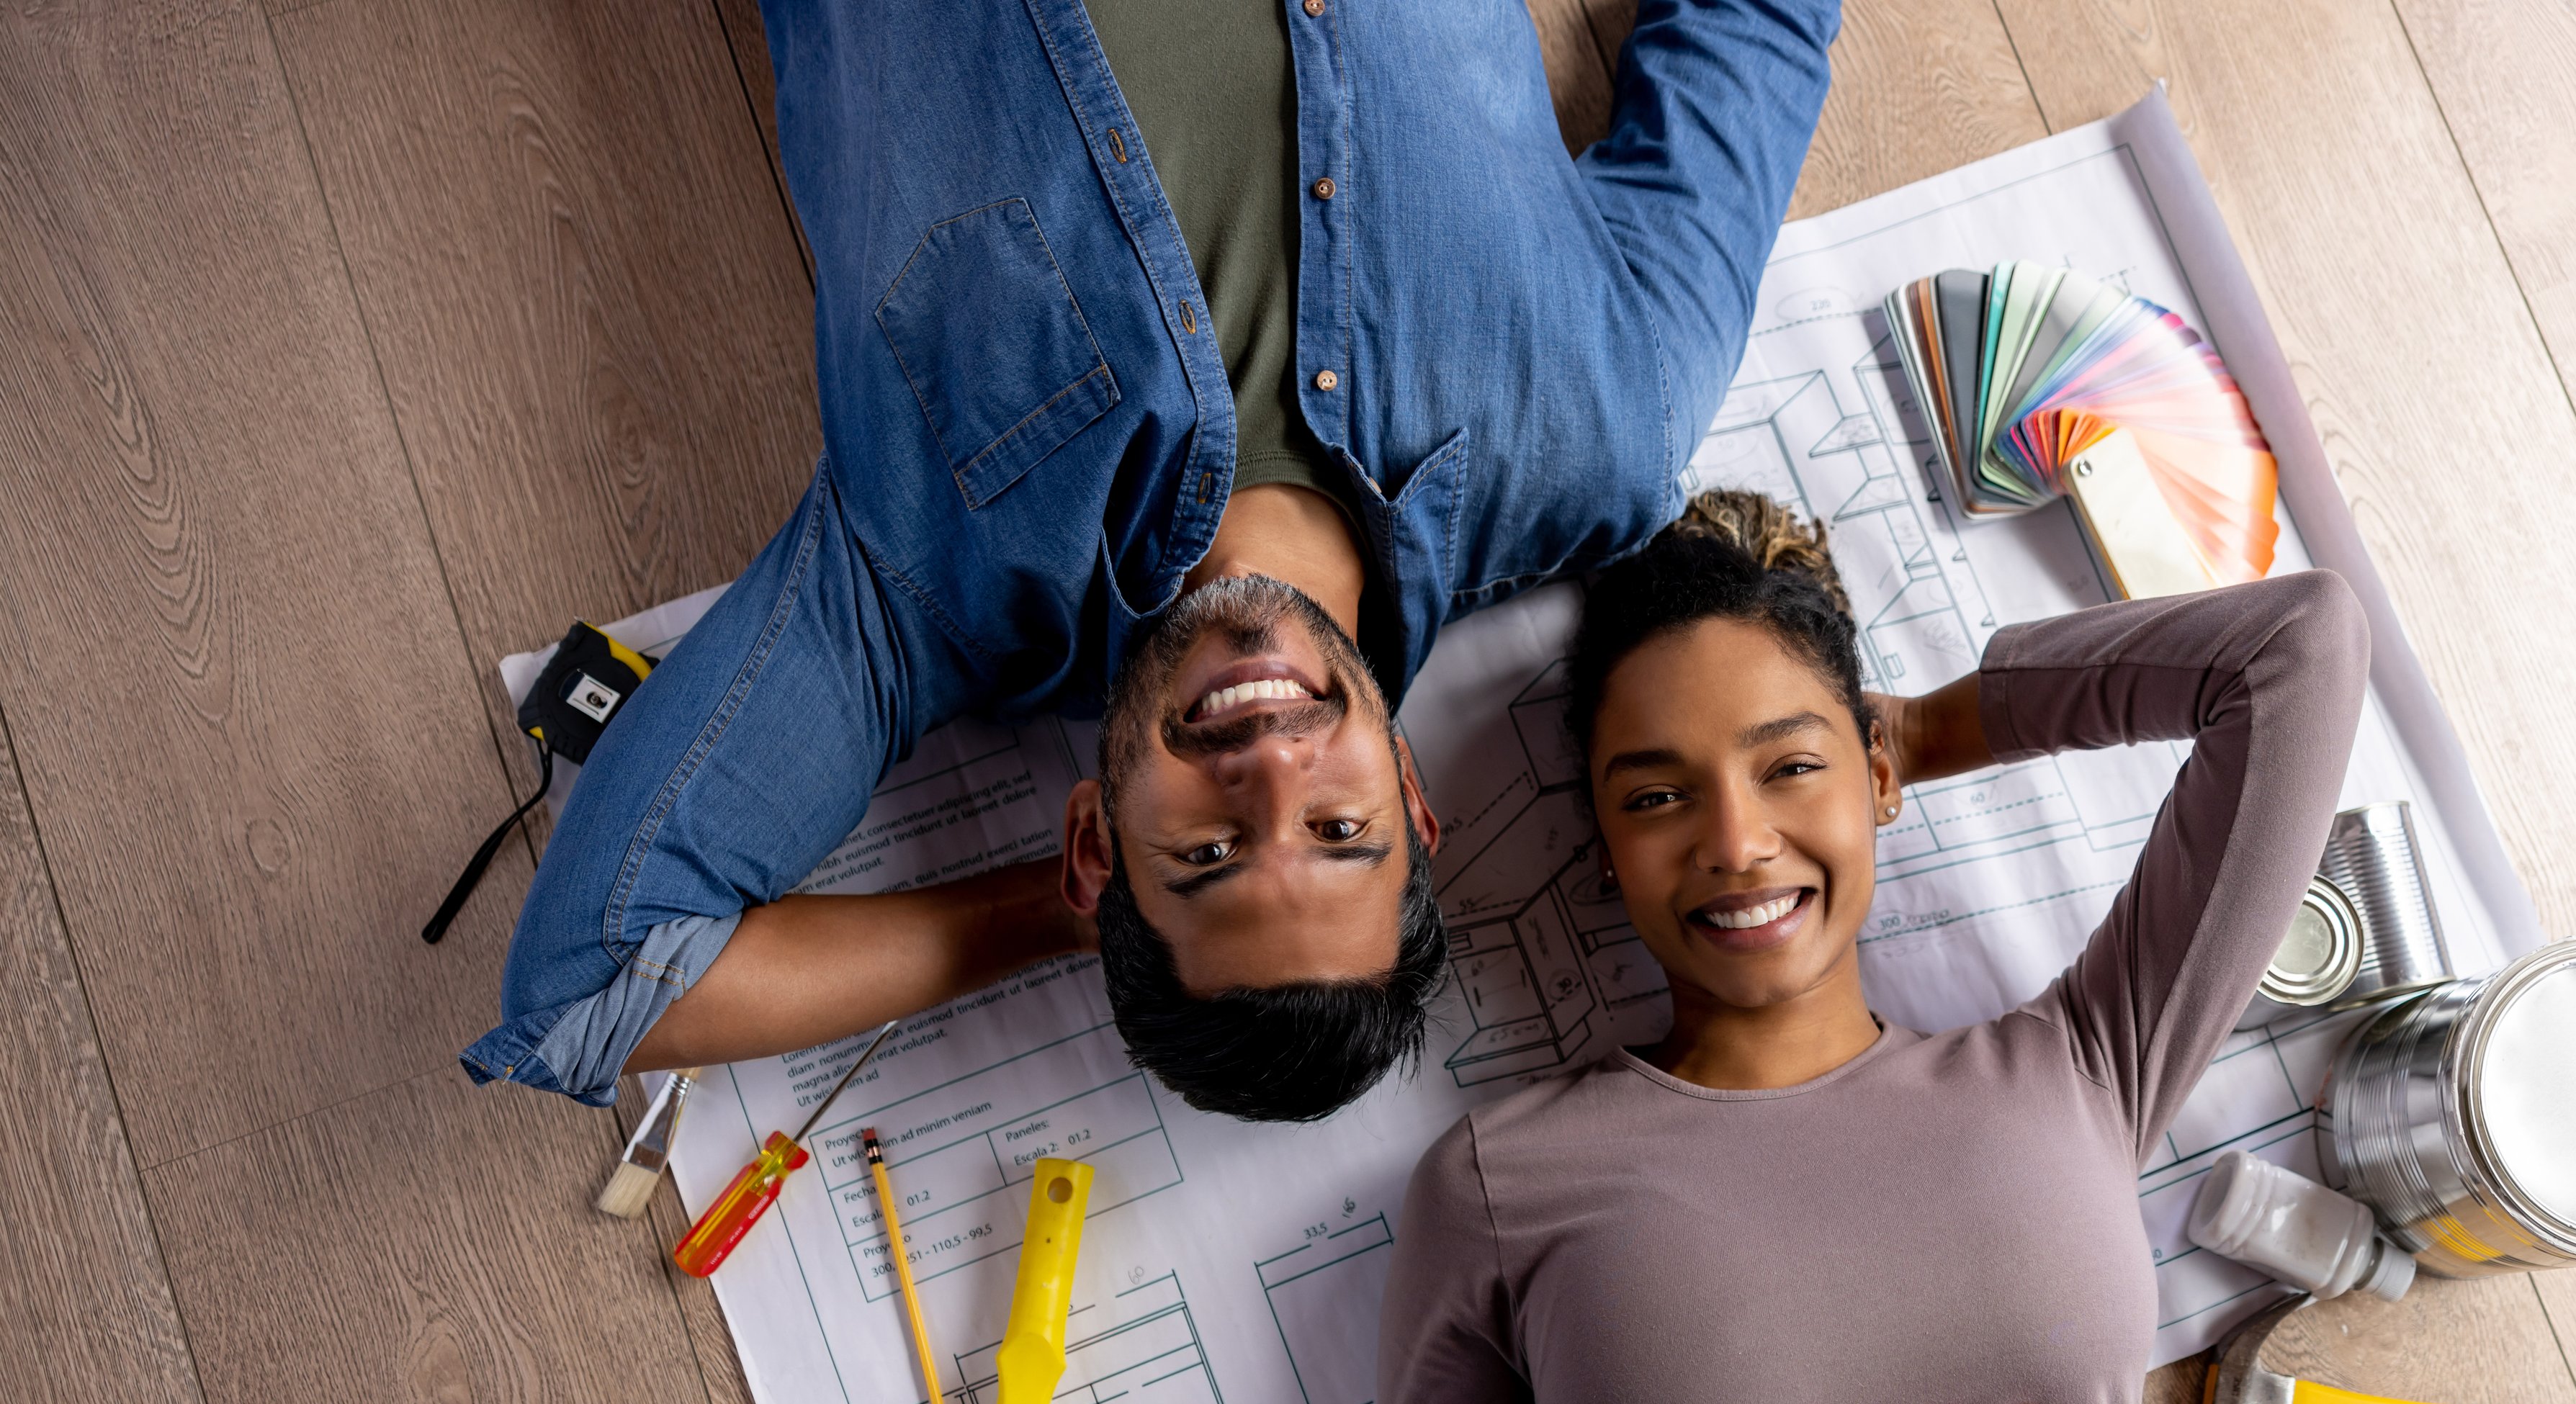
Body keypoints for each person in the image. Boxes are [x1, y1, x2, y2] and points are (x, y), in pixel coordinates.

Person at [454, 0, 1844, 1123]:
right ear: (1416, 801)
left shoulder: (923, 589)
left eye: (1210, 852)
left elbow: (596, 983)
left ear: (1093, 842)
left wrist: (1050, 918)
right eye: (1340, 834)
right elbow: (1759, 29)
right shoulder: (1603, 430)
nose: (1274, 770)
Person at [1368, 491, 2364, 1404]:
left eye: (1787, 767)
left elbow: (2296, 646)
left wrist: (1925, 728)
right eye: (1654, 794)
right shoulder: (1502, 1188)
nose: (1733, 837)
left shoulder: (2077, 1064)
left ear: (1876, 773)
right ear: (1597, 843)